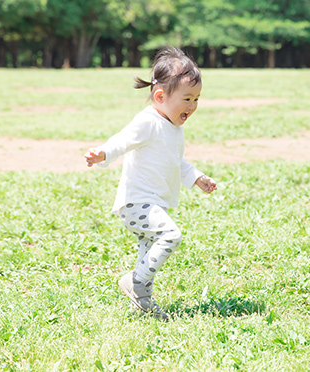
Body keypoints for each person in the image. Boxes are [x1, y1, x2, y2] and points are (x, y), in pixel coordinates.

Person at [85, 46, 217, 321]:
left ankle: (142, 300)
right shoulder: (148, 121)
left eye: (197, 99)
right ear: (160, 96)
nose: (192, 106)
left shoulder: (173, 128)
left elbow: (175, 161)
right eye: (187, 98)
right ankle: (134, 282)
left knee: (148, 253)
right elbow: (122, 140)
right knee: (171, 236)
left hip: (154, 204)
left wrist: (197, 178)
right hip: (137, 203)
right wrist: (103, 154)